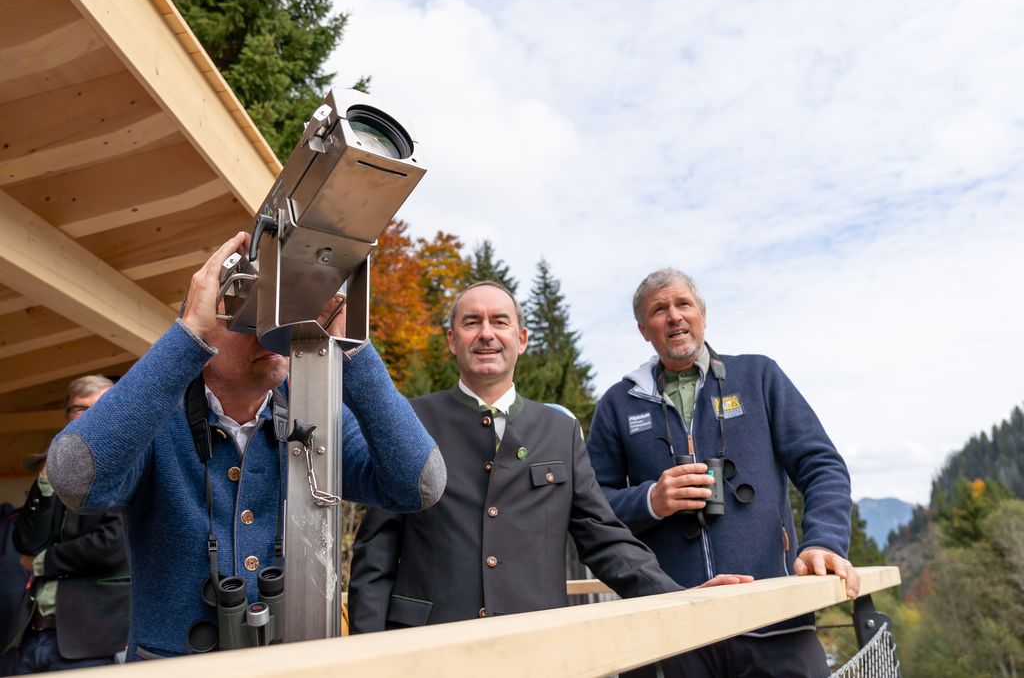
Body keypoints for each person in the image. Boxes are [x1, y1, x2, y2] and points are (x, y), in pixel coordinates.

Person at [46, 232, 446, 659]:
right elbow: (75, 478)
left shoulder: (310, 408)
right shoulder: (155, 416)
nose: (271, 332)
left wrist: (353, 352)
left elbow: (419, 484)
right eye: (249, 314)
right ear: (203, 327)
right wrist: (184, 339)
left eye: (281, 313)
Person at [348, 281, 749, 632]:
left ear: (521, 339)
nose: (486, 334)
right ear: (452, 340)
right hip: (427, 649)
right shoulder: (410, 420)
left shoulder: (560, 431)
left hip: (536, 647)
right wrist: (366, 657)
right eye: (472, 322)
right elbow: (375, 554)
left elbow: (604, 538)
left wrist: (677, 596)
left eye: (499, 322)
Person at [587, 268, 859, 677]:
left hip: (776, 622)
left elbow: (821, 465)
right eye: (659, 310)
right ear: (644, 330)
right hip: (674, 632)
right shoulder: (617, 404)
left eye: (684, 304)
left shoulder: (759, 376)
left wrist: (824, 540)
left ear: (703, 315)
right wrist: (650, 501)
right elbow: (592, 508)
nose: (674, 316)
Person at [5, 376, 130, 674]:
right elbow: (25, 541)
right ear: (67, 416)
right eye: (80, 409)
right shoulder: (60, 466)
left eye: (100, 406)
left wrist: (42, 562)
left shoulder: (128, 464)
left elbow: (111, 544)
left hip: (90, 639)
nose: (90, 415)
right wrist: (46, 482)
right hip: (32, 635)